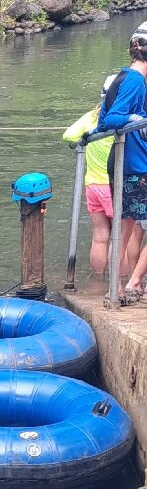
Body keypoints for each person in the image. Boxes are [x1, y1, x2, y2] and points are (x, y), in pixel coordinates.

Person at [97, 21, 147, 303]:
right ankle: (123, 284)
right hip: (134, 166)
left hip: (125, 162)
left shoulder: (122, 77)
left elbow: (102, 120)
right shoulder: (135, 81)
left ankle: (117, 285)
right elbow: (114, 119)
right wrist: (135, 119)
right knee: (125, 227)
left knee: (125, 227)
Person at [63, 75, 121, 277]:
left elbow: (68, 135)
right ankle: (118, 283)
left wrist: (87, 135)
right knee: (120, 236)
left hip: (92, 185)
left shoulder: (92, 117)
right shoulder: (121, 120)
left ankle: (97, 280)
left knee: (99, 236)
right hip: (115, 185)